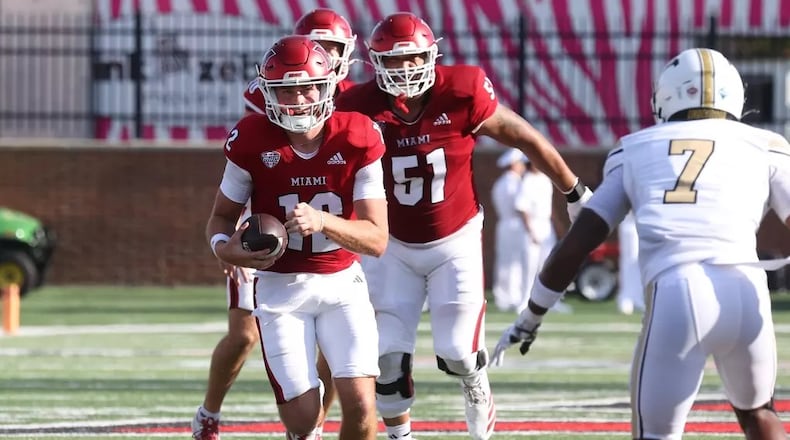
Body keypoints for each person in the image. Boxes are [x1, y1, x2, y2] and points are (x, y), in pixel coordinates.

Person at [492, 48, 790, 440]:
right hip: (748, 289)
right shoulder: (767, 144)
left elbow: (578, 241)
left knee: (656, 435)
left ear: (665, 96)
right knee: (759, 415)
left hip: (679, 291)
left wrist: (530, 317)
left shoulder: (634, 147)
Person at [334, 12, 592, 440]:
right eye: (393, 62)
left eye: (413, 59)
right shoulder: (358, 106)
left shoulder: (461, 89)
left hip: (454, 241)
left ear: (431, 56)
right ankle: (401, 436)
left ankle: (476, 384)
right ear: (375, 63)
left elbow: (520, 134)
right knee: (387, 362)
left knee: (458, 353)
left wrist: (573, 190)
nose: (404, 70)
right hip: (393, 245)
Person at [203, 35, 388, 440]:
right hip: (280, 289)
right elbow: (219, 219)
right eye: (286, 89)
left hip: (342, 283)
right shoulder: (252, 140)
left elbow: (376, 239)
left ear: (328, 87)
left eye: (307, 87)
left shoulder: (357, 134)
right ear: (269, 93)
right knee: (303, 422)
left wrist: (324, 222)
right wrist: (227, 249)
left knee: (361, 406)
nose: (299, 98)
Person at [243, 8, 357, 116]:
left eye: (328, 48)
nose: (321, 53)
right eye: (314, 45)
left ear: (345, 51)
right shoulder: (267, 88)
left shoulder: (355, 94)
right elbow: (250, 133)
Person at [513, 158, 561, 314]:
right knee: (530, 265)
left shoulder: (546, 180)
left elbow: (549, 206)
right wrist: (530, 230)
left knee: (548, 265)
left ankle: (548, 302)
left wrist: (557, 225)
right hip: (532, 225)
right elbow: (523, 209)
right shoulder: (526, 181)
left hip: (546, 225)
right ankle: (525, 300)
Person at [490, 148, 529, 312]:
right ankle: (512, 296)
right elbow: (520, 206)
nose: (523, 167)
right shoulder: (516, 183)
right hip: (514, 223)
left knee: (504, 260)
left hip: (503, 224)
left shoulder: (499, 183)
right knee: (515, 261)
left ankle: (503, 296)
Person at [616, 212, 645, 315]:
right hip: (631, 218)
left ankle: (638, 297)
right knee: (631, 257)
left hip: (649, 216)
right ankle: (626, 297)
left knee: (643, 259)